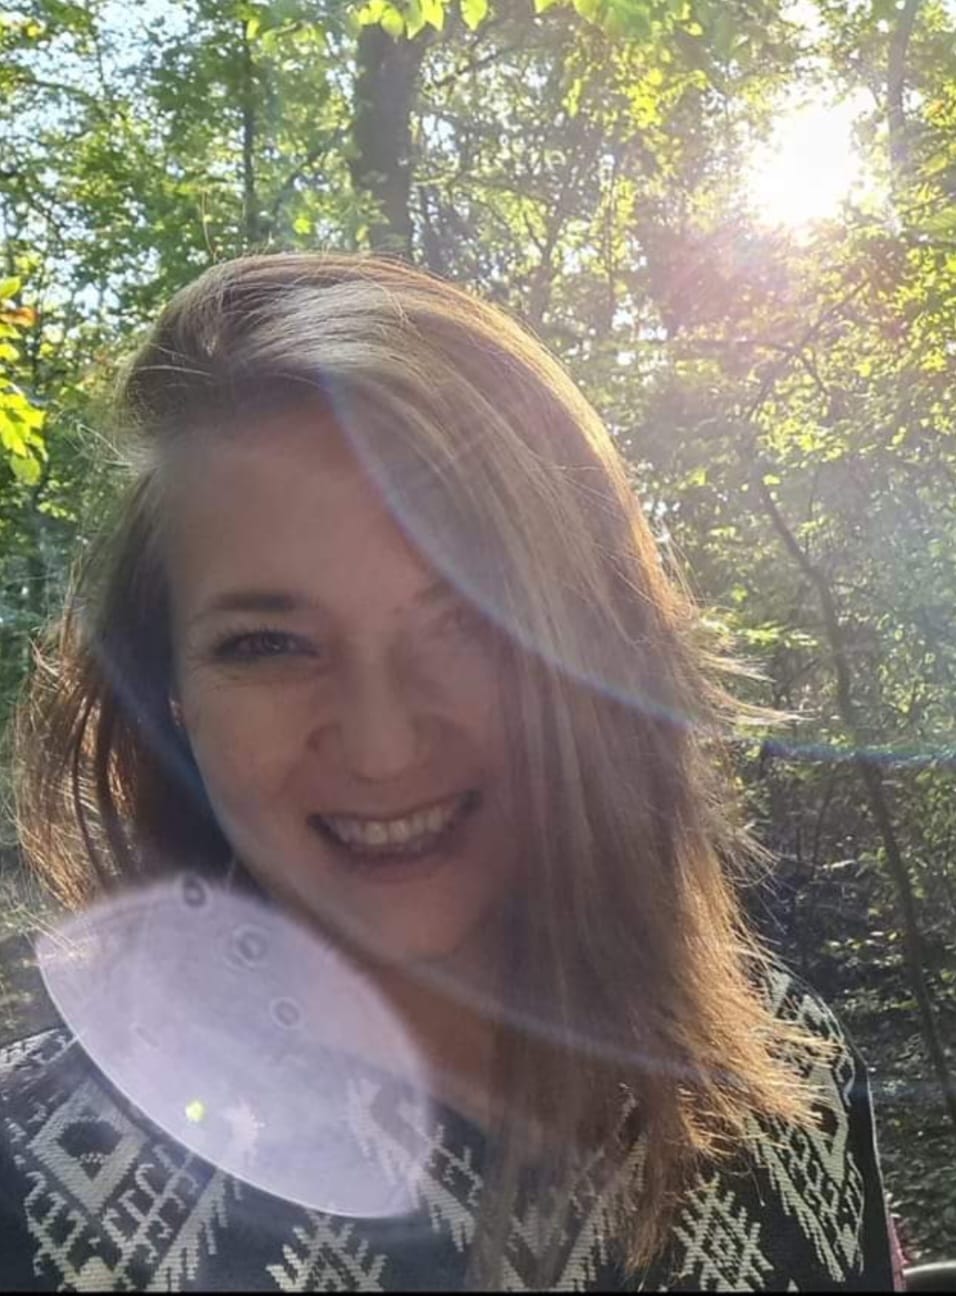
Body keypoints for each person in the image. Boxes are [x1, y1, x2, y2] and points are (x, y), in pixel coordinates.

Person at [0, 253, 895, 1291]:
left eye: (469, 620)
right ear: (170, 693)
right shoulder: (33, 1193)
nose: (380, 746)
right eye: (268, 644)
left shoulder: (791, 1078)